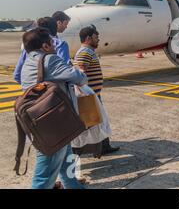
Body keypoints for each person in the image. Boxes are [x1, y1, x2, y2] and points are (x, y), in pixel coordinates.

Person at [20, 28, 87, 189]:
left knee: (67, 164)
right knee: (44, 177)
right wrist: (79, 70)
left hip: (43, 121)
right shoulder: (49, 59)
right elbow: (80, 78)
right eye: (52, 43)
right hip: (54, 125)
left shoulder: (28, 62)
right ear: (45, 46)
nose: (55, 46)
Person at [74, 26, 120, 155]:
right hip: (90, 95)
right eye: (96, 37)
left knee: (99, 121)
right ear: (88, 38)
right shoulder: (85, 52)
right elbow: (80, 73)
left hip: (94, 94)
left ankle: (103, 146)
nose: (98, 40)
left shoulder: (88, 51)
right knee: (94, 123)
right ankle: (92, 148)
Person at [14, 16, 70, 84]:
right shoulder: (60, 44)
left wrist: (30, 86)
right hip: (53, 91)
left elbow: (17, 74)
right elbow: (64, 71)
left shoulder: (29, 45)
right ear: (55, 28)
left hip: (30, 91)